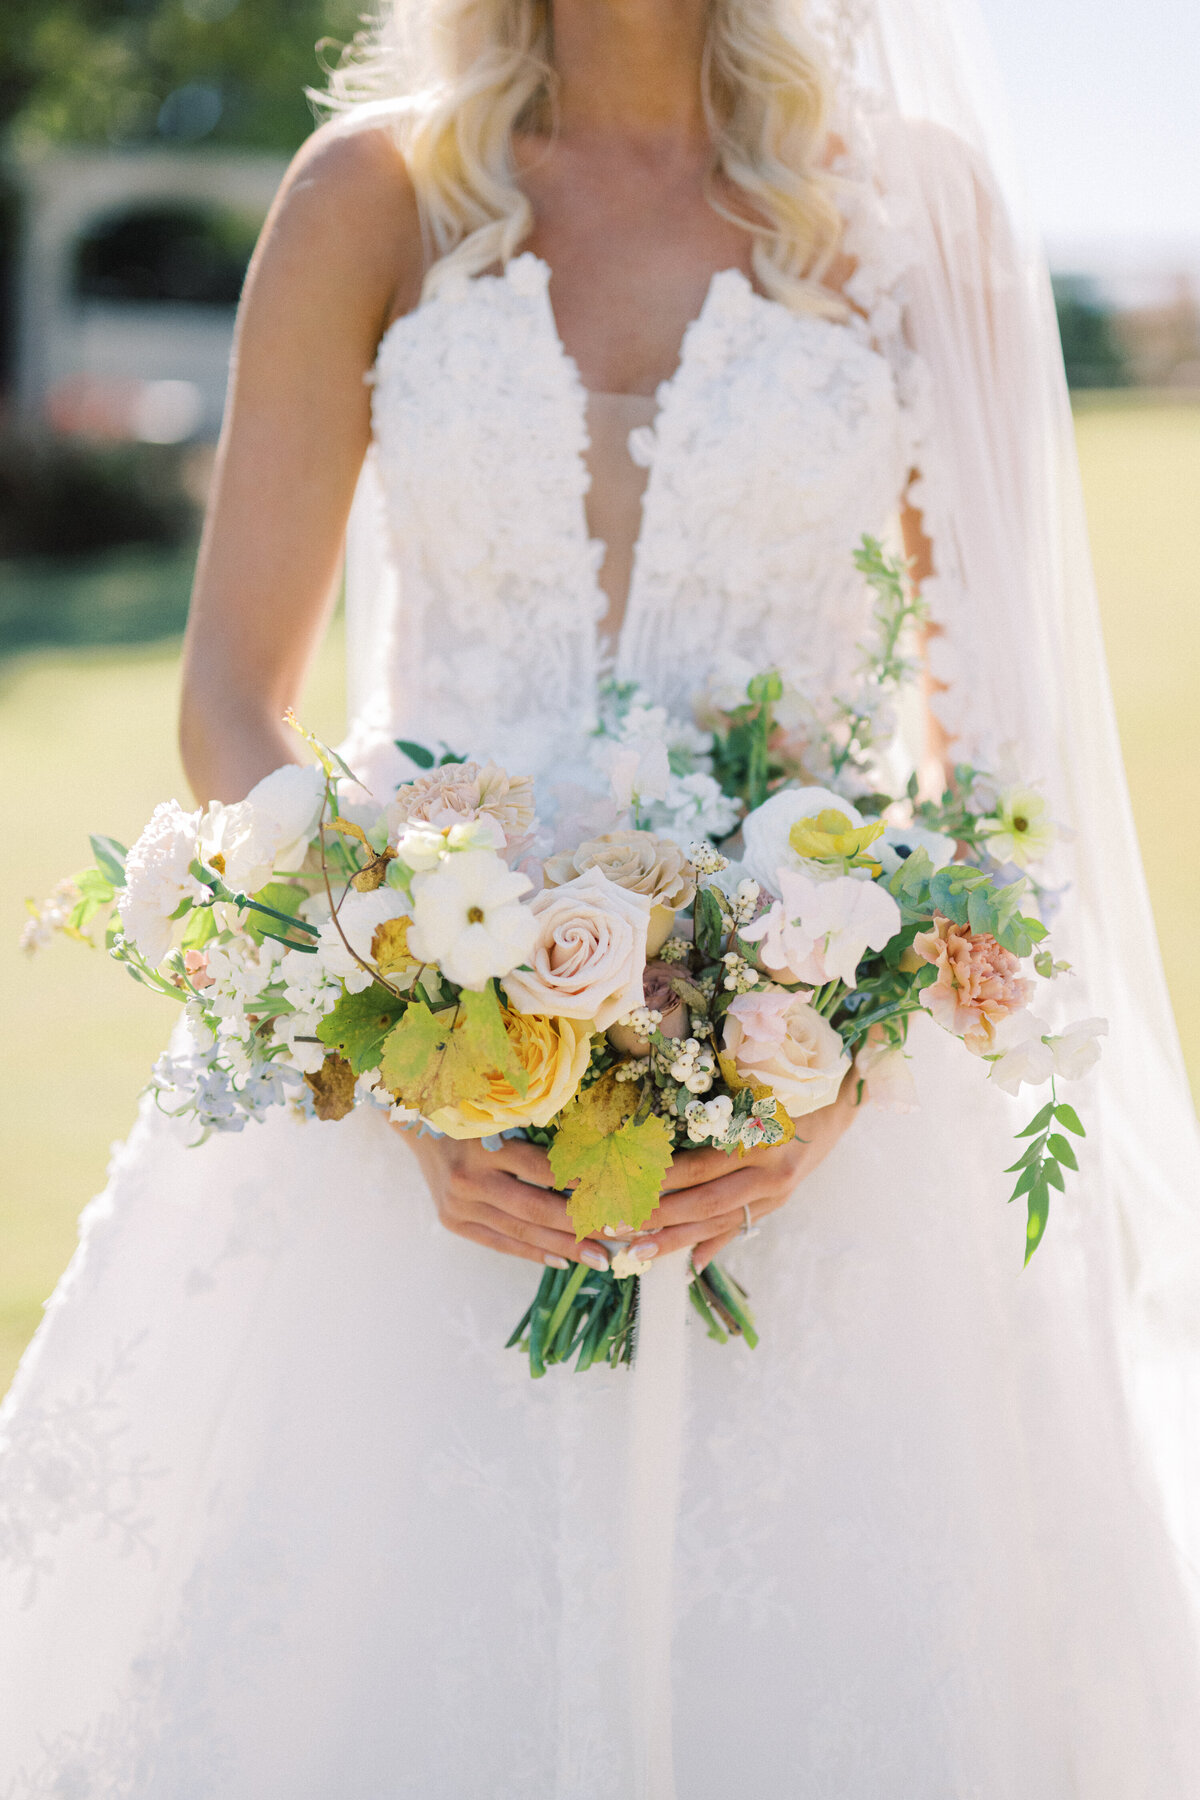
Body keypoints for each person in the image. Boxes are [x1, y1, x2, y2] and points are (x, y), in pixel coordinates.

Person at [3, 0, 1199, 1793]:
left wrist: (840, 1064)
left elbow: (1002, 753)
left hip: (824, 1139)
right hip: (402, 1115)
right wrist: (396, 1025)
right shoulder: (374, 196)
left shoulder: (909, 211)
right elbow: (232, 702)